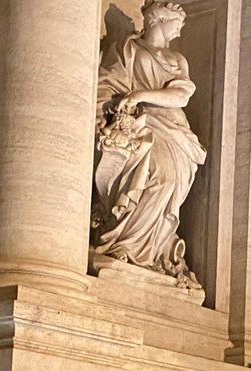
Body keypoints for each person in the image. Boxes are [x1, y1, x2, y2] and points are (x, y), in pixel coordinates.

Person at [94, 1, 207, 287]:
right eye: (176, 23)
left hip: (173, 129)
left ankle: (148, 250)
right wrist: (124, 107)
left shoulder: (177, 59)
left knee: (171, 181)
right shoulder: (127, 49)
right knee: (158, 175)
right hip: (141, 124)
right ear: (158, 19)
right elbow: (106, 82)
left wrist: (139, 95)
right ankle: (126, 245)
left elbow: (181, 96)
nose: (180, 30)